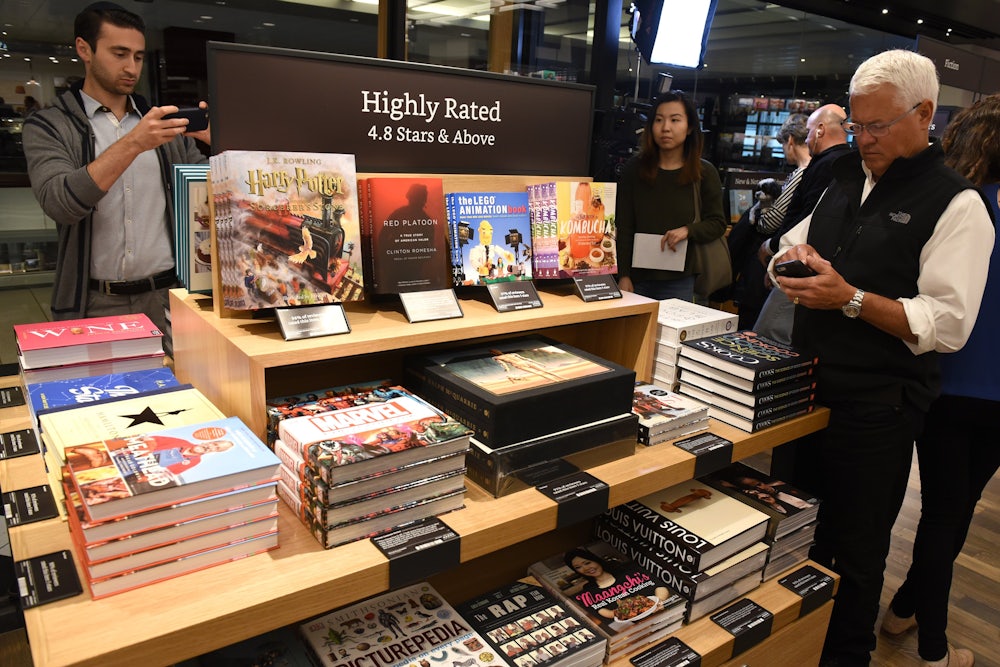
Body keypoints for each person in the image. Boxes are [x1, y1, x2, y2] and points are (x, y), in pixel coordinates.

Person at [769, 50, 994, 667]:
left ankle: (845, 656)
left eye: (876, 127)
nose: (862, 139)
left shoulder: (958, 205)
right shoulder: (846, 177)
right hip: (806, 389)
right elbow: (791, 244)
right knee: (792, 532)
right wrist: (789, 270)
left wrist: (850, 299)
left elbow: (944, 325)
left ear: (924, 114)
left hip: (879, 409)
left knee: (858, 552)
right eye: (858, 125)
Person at [879, 94, 1000, 667]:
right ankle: (932, 649)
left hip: (942, 378)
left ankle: (906, 608)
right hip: (989, 390)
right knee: (956, 510)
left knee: (943, 511)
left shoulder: (953, 205)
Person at [22, 2, 210, 353]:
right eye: (119, 53)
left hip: (169, 296)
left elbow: (213, 198)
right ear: (85, 50)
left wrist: (220, 143)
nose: (131, 67)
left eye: (138, 56)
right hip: (93, 301)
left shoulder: (163, 126)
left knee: (185, 397)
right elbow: (60, 203)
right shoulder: (49, 125)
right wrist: (134, 143)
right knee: (105, 400)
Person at [753, 104, 851, 346]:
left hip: (803, 264)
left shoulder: (826, 165)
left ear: (819, 130)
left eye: (808, 132)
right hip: (814, 265)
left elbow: (808, 217)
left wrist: (773, 248)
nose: (806, 139)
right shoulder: (847, 163)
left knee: (768, 337)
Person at [616, 91, 726, 302]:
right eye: (659, 120)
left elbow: (717, 223)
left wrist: (688, 230)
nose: (665, 127)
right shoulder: (634, 169)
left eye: (675, 120)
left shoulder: (704, 172)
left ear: (690, 127)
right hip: (637, 278)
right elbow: (625, 226)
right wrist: (624, 275)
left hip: (682, 280)